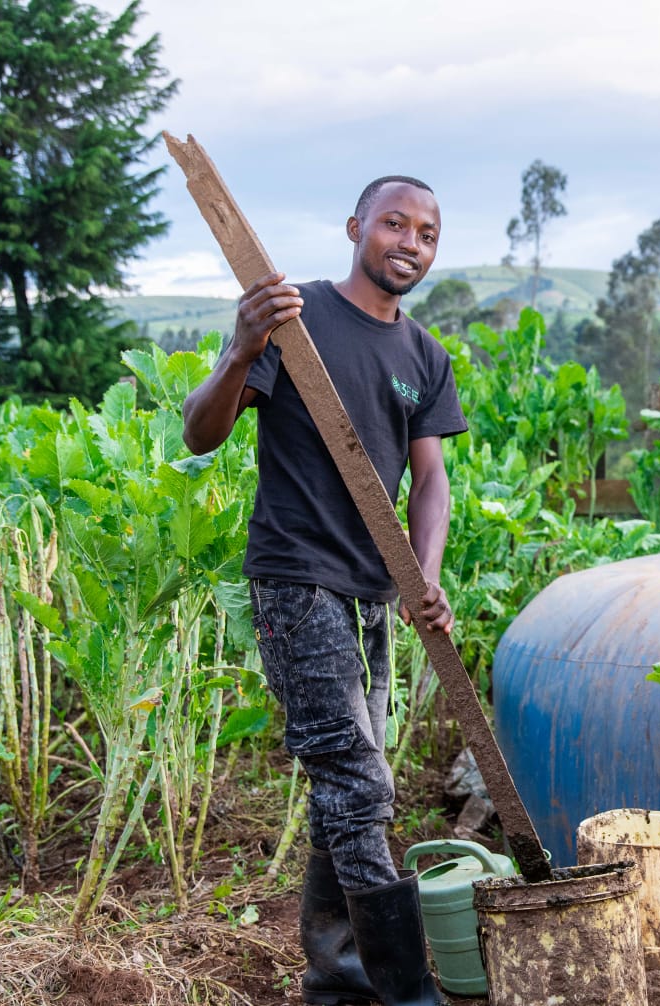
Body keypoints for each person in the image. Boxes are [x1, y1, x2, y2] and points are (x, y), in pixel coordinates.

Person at [182, 175, 463, 1006]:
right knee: (359, 781)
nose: (410, 243)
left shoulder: (423, 355)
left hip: (373, 592)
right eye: (395, 224)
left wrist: (425, 577)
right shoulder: (292, 316)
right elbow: (201, 432)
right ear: (356, 227)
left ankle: (336, 981)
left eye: (427, 233)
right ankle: (406, 993)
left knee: (347, 788)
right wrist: (239, 349)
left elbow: (431, 481)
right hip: (297, 578)